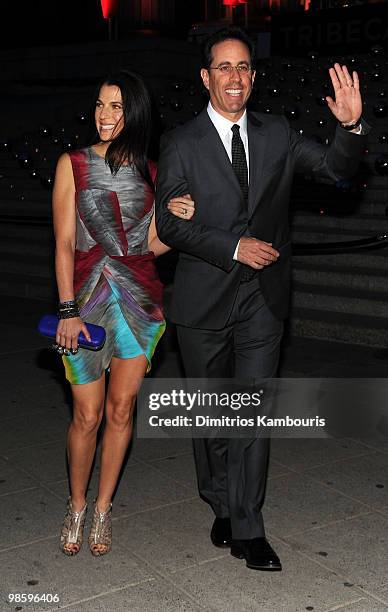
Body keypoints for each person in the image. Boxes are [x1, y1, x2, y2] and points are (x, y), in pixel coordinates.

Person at [155, 27, 368, 571]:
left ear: (254, 76)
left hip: (264, 300)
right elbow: (168, 226)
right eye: (224, 67)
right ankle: (219, 499)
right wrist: (232, 246)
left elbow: (338, 171)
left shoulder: (279, 134)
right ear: (206, 77)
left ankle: (248, 525)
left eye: (244, 67)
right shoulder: (181, 142)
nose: (235, 77)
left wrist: (351, 126)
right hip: (203, 299)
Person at [53, 69, 194, 556]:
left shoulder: (153, 174)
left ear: (133, 112)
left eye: (115, 106)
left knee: (119, 410)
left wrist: (175, 219)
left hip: (139, 301)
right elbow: (65, 242)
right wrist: (67, 308)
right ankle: (75, 503)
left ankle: (103, 509)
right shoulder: (72, 164)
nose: (105, 115)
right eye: (99, 105)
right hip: (86, 303)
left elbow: (148, 248)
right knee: (86, 415)